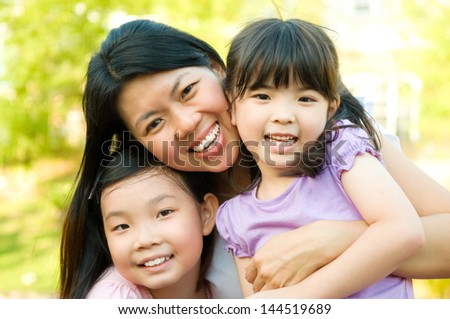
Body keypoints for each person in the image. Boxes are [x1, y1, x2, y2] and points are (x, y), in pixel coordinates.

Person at [59, 19, 450, 299]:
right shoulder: (181, 217)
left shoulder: (337, 141)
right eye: (155, 123)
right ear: (142, 144)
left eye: (188, 91)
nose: (187, 124)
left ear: (218, 71)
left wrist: (334, 237)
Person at [216, 17, 426, 299]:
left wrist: (303, 296)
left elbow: (404, 230)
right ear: (231, 107)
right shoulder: (236, 218)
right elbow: (259, 301)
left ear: (330, 110)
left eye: (305, 99)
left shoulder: (342, 151)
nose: (284, 114)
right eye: (263, 96)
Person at [73, 142, 218, 298]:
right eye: (122, 226)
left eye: (164, 213)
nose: (145, 240)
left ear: (206, 214)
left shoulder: (229, 277)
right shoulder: (113, 298)